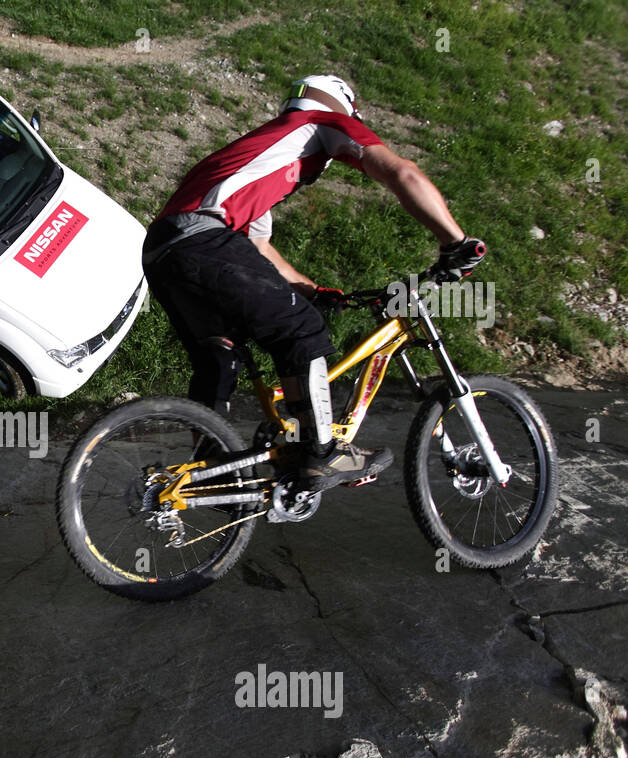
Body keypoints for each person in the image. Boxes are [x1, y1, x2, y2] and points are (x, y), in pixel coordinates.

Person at [142, 74, 486, 491]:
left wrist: (314, 290)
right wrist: (456, 242)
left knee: (219, 356)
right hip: (203, 239)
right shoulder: (325, 122)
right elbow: (403, 172)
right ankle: (323, 455)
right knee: (301, 329)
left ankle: (210, 475)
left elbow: (260, 249)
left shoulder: (261, 158)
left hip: (164, 250)